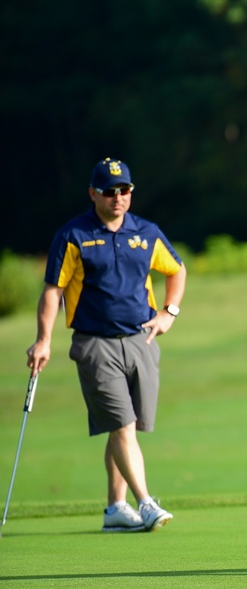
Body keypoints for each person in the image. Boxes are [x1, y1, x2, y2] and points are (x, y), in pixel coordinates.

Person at [27, 158, 186, 533]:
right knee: (122, 425)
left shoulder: (146, 232)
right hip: (94, 344)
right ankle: (145, 502)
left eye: (124, 190)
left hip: (141, 340)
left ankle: (116, 506)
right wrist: (43, 340)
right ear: (93, 194)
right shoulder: (74, 235)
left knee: (125, 426)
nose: (118, 198)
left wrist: (169, 313)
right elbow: (54, 291)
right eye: (110, 191)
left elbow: (176, 270)